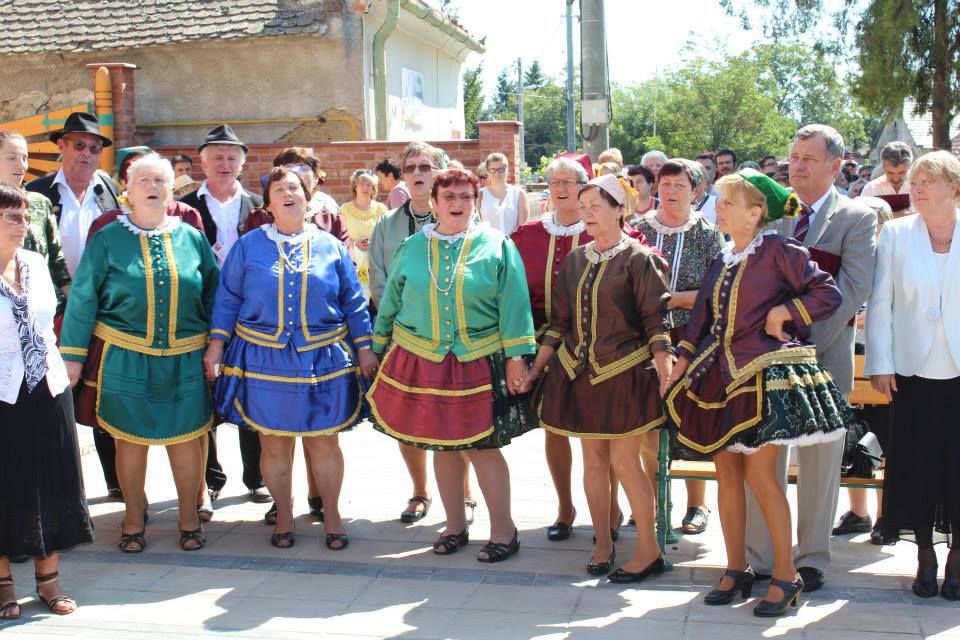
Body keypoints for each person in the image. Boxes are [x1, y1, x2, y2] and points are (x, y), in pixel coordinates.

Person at [666, 169, 852, 617]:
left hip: (764, 377)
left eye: (727, 202)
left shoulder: (781, 251)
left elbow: (828, 294)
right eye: (720, 201)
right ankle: (736, 568)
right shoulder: (722, 258)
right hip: (718, 378)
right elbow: (701, 319)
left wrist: (786, 311)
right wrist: (681, 365)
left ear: (754, 213)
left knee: (762, 478)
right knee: (727, 476)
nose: (719, 209)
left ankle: (786, 576)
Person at [368, 168, 536, 563]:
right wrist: (376, 346)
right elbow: (391, 301)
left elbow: (515, 305)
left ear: (476, 202)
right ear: (434, 202)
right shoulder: (412, 247)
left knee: (483, 447)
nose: (457, 204)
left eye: (465, 197)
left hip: (477, 359)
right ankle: (455, 526)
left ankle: (504, 530)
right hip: (424, 358)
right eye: (449, 197)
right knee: (441, 446)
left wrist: (517, 358)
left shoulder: (497, 246)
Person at [204, 167, 375, 550]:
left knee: (324, 443)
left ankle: (332, 517)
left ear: (308, 198)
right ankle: (283, 516)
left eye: (295, 188)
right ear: (268, 203)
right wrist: (216, 345)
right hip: (264, 358)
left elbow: (352, 300)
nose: (288, 194)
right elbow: (228, 298)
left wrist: (364, 346)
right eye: (279, 189)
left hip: (322, 359)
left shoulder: (330, 246)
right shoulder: (248, 246)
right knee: (275, 444)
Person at [60, 154, 219, 553]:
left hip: (185, 357)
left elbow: (214, 295)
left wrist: (217, 345)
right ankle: (133, 520)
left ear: (171, 190)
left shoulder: (192, 237)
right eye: (143, 180)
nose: (152, 187)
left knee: (186, 439)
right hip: (125, 355)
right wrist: (73, 357)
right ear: (127, 191)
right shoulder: (108, 238)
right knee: (130, 441)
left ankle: (189, 520)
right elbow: (83, 298)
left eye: (160, 180)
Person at [521, 173, 672, 582]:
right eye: (583, 206)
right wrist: (536, 368)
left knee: (625, 461)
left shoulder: (640, 258)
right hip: (580, 374)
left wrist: (664, 367)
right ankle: (603, 543)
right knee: (593, 462)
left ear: (620, 209)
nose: (586, 213)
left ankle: (649, 549)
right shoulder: (575, 260)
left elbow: (656, 321)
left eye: (596, 206)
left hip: (625, 373)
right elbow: (561, 323)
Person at [746, 124, 877, 593]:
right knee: (763, 460)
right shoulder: (769, 212)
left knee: (820, 466)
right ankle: (761, 558)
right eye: (793, 157)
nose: (796, 166)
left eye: (808, 159)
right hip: (764, 360)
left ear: (835, 165)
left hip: (823, 358)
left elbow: (853, 289)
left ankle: (813, 558)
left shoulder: (856, 217)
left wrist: (798, 340)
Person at [511, 157, 626, 543]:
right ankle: (564, 507)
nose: (561, 188)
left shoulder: (606, 229)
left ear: (585, 186)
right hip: (544, 344)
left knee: (603, 432)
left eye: (570, 182)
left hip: (600, 346)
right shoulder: (526, 234)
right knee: (554, 429)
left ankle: (611, 510)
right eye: (554, 181)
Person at [866, 150, 960, 601]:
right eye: (915, 182)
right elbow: (880, 303)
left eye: (928, 181)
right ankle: (925, 554)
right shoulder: (896, 234)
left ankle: (958, 557)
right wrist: (880, 362)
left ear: (953, 188)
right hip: (911, 372)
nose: (917, 188)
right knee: (917, 466)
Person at [368, 142, 478, 523]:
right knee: (408, 419)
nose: (417, 173)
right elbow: (380, 281)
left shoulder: (461, 216)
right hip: (406, 339)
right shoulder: (387, 224)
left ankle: (464, 492)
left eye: (426, 166)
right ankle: (419, 490)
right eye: (410, 167)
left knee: (457, 418)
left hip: (455, 339)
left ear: (440, 172)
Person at [0, 184, 94, 618]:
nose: (23, 224)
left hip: (47, 385)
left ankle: (49, 580)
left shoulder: (35, 263)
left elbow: (47, 322)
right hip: (3, 389)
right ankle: (3, 585)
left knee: (53, 479)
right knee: (6, 483)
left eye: (24, 216)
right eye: (12, 216)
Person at [25, 112, 122, 499]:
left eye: (94, 148)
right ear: (61, 146)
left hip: (105, 309)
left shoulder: (109, 189)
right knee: (59, 395)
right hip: (56, 310)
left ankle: (116, 481)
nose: (87, 154)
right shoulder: (39, 192)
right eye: (79, 145)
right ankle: (62, 487)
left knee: (104, 392)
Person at [630, 159, 725, 535]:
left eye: (680, 185)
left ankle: (696, 504)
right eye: (665, 184)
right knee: (648, 423)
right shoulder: (639, 229)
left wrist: (676, 299)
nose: (671, 191)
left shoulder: (707, 233)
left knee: (690, 420)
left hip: (692, 337)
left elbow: (720, 289)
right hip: (643, 338)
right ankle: (654, 503)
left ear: (696, 191)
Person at [179, 124, 271, 507]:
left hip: (250, 314)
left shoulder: (259, 206)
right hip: (202, 312)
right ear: (202, 163)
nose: (225, 163)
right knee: (204, 393)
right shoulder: (184, 207)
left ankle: (257, 477)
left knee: (252, 391)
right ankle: (211, 478)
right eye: (217, 157)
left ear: (242, 164)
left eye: (232, 157)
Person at [832, 196, 892, 545]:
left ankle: (886, 515)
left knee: (886, 440)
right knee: (850, 438)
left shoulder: (893, 260)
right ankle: (858, 512)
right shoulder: (848, 257)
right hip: (848, 354)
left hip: (880, 358)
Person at [0, 131, 70, 314]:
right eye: (12, 158)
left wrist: (74, 306)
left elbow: (56, 259)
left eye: (25, 158)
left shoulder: (40, 202)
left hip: (44, 307)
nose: (21, 165)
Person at [272, 147, 347, 243]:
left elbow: (344, 249)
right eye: (288, 168)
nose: (296, 173)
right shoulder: (263, 216)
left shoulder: (329, 213)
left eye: (302, 168)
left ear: (315, 178)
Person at [340, 170, 387, 300]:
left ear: (373, 188)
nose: (365, 188)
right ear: (355, 186)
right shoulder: (345, 209)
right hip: (354, 266)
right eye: (362, 184)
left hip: (376, 265)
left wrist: (374, 244)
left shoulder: (381, 209)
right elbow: (340, 237)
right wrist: (354, 243)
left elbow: (387, 235)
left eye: (369, 185)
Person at [478, 152, 529, 235]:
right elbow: (477, 226)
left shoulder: (519, 194)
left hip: (513, 242)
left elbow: (522, 227)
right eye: (493, 170)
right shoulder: (480, 195)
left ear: (507, 169)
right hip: (488, 242)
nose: (497, 173)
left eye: (500, 169)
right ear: (487, 171)